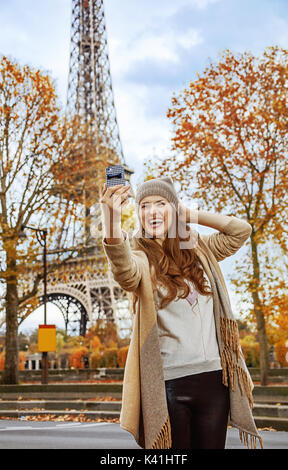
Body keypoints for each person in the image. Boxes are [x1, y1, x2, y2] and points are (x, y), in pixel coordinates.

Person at [100, 176, 263, 450]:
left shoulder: (200, 249)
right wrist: (111, 222)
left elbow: (241, 231)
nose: (152, 211)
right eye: (144, 205)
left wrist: (190, 214)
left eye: (161, 204)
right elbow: (125, 272)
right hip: (169, 385)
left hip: (214, 379)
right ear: (138, 213)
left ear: (174, 209)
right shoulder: (141, 255)